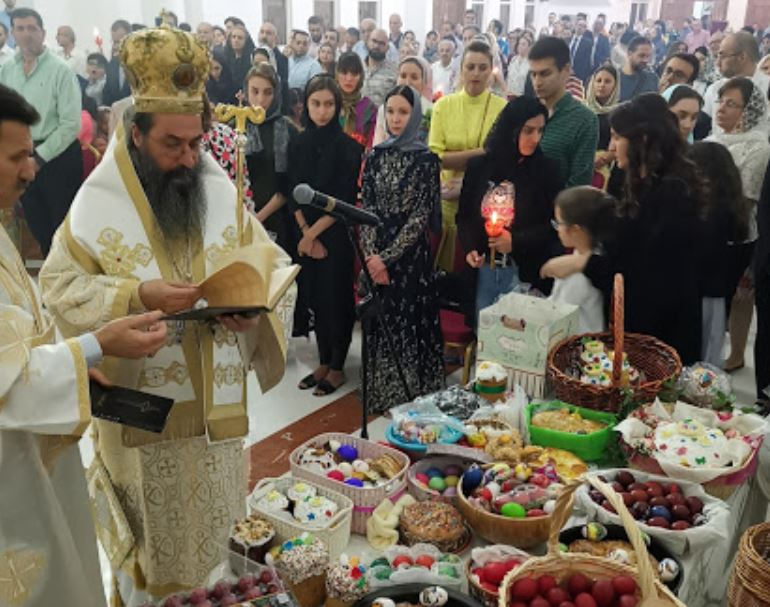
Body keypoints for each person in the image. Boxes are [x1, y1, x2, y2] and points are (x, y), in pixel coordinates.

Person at [40, 25, 295, 606]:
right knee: (153, 567)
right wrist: (135, 294)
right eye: (172, 144)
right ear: (136, 133)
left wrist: (251, 310)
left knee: (220, 559)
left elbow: (275, 265)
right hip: (142, 430)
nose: (188, 158)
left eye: (196, 142)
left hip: (215, 431)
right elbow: (57, 286)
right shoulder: (97, 201)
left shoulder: (213, 184)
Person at [0, 82, 169, 607]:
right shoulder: (96, 203)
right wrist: (95, 344)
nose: (31, 172)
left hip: (32, 459)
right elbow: (9, 382)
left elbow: (23, 337)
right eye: (16, 158)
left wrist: (74, 365)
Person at [542, 94, 707, 364]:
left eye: (618, 137)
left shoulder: (672, 193)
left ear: (643, 140)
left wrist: (583, 263)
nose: (611, 146)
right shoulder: (635, 179)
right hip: (638, 319)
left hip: (659, 328)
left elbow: (645, 272)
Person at [360, 85, 444, 410]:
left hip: (409, 257)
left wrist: (385, 259)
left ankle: (410, 394)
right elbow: (367, 208)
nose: (396, 119)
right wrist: (371, 257)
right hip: (377, 248)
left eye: (404, 112)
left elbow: (420, 216)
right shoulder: (375, 156)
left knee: (408, 320)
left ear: (415, 115)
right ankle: (382, 391)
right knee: (382, 321)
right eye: (391, 111)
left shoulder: (425, 159)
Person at [289, 75, 363, 395]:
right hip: (305, 233)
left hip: (334, 234)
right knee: (316, 298)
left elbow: (342, 199)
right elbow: (292, 190)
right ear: (306, 105)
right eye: (316, 104)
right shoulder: (298, 143)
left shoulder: (349, 148)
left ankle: (337, 366)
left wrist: (313, 235)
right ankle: (322, 361)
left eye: (329, 104)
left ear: (338, 107)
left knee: (336, 299)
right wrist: (306, 234)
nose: (322, 111)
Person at [458, 96, 562, 322]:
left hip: (524, 271)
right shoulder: (479, 167)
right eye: (528, 130)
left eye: (540, 131)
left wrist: (516, 240)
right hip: (483, 269)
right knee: (483, 330)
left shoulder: (547, 171)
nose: (535, 138)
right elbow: (464, 216)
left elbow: (554, 228)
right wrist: (470, 248)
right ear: (511, 129)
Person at [0, 8, 82, 255]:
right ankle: (49, 277)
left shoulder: (61, 70)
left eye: (32, 28)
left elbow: (70, 124)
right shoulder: (6, 69)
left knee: (64, 233)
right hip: (21, 157)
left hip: (58, 158)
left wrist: (38, 158)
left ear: (43, 33)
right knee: (38, 226)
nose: (27, 34)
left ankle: (69, 277)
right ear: (13, 33)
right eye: (20, 28)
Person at [706, 77, 770, 372]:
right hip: (707, 226)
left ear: (749, 111)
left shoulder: (758, 147)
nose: (721, 108)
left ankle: (736, 353)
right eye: (721, 101)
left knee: (740, 295)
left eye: (731, 104)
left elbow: (747, 196)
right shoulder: (713, 139)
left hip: (740, 231)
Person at [428, 40, 507, 272]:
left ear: (491, 71)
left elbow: (501, 159)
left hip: (483, 203)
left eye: (483, 67)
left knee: (472, 277)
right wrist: (483, 153)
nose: (476, 73)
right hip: (446, 199)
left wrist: (456, 159)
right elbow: (434, 157)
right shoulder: (443, 106)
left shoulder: (502, 108)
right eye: (470, 67)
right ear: (461, 69)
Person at [689, 141, 748, 367]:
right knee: (708, 354)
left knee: (698, 357)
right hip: (715, 295)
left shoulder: (708, 213)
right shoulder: (731, 208)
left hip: (699, 293)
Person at [529, 36, 599, 188]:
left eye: (545, 74)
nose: (537, 82)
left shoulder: (584, 120)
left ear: (566, 71)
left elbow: (579, 184)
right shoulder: (525, 111)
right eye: (533, 74)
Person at [243, 64, 298, 253]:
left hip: (277, 217)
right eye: (255, 91)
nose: (260, 100)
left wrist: (258, 218)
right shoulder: (235, 125)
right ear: (245, 91)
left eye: (267, 93)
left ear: (276, 94)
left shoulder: (287, 129)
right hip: (239, 217)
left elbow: (289, 182)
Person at [550, 187, 617, 332]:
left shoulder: (579, 276)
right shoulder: (586, 257)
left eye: (559, 223)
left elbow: (556, 315)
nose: (557, 229)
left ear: (575, 230)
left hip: (579, 341)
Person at [703, 32, 770, 130]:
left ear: (741, 57)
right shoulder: (714, 89)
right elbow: (703, 128)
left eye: (722, 56)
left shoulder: (767, 87)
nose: (717, 63)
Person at [373, 56, 433, 146]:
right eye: (403, 76)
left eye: (414, 77)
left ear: (424, 81)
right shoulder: (385, 108)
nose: (407, 82)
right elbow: (378, 143)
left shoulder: (431, 111)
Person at [585, 65, 620, 188]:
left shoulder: (620, 113)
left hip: (608, 169)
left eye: (607, 81)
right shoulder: (581, 109)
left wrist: (605, 159)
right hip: (581, 166)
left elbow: (621, 142)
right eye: (598, 80)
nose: (602, 85)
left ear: (615, 85)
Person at [336, 51, 377, 149]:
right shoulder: (328, 103)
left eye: (354, 73)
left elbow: (371, 146)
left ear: (361, 76)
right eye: (344, 72)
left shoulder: (369, 108)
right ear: (336, 74)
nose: (349, 78)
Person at [258, 22, 290, 114]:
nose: (264, 36)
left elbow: (283, 84)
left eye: (268, 33)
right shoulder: (253, 54)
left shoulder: (282, 58)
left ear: (275, 38)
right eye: (262, 32)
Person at [362, 29, 398, 107]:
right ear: (367, 42)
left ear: (387, 48)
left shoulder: (395, 71)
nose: (376, 46)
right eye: (374, 41)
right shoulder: (357, 67)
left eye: (381, 43)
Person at [619, 36, 659, 101]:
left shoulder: (653, 79)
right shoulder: (614, 77)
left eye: (648, 56)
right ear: (629, 54)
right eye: (641, 55)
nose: (646, 60)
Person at [103, 19, 132, 106]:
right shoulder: (111, 65)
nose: (115, 47)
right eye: (113, 42)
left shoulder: (140, 65)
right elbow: (107, 93)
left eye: (119, 42)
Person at [225, 24, 256, 93]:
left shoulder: (252, 58)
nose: (236, 40)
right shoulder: (224, 57)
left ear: (246, 41)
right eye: (233, 37)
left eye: (240, 38)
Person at [506, 32, 532, 97]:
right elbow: (508, 77)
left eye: (523, 44)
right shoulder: (513, 59)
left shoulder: (531, 63)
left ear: (529, 47)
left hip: (522, 97)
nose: (520, 46)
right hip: (509, 94)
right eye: (519, 44)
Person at [570, 18, 594, 83]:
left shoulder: (588, 43)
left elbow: (585, 61)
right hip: (564, 73)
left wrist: (574, 71)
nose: (580, 28)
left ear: (585, 29)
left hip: (578, 75)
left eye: (584, 26)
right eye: (579, 25)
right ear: (575, 25)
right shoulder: (567, 39)